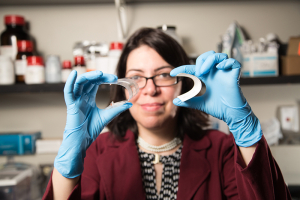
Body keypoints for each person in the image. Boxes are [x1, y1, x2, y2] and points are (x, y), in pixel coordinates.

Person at [43, 28, 291, 200]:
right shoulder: (97, 153)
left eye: (163, 75)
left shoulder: (221, 149)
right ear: (122, 88)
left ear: (184, 82)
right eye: (137, 77)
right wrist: (68, 162)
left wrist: (245, 129)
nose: (150, 89)